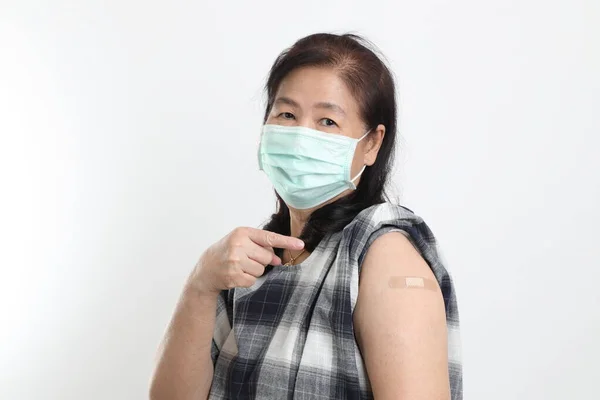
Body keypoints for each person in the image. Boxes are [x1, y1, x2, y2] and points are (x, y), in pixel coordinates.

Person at [150, 33, 462, 400]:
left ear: (372, 143)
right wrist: (201, 284)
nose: (300, 137)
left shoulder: (382, 253)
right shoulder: (251, 260)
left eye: (327, 121)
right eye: (286, 114)